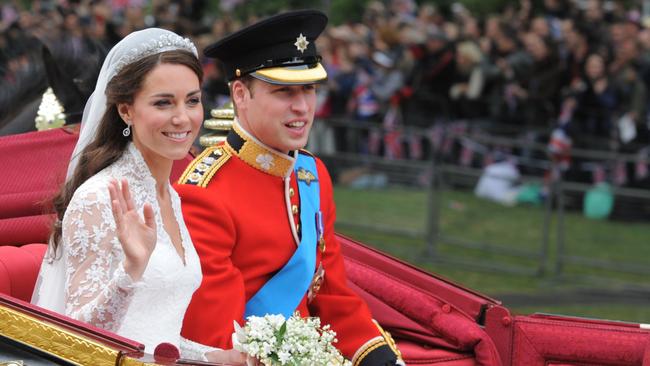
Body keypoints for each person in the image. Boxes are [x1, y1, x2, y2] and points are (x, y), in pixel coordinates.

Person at [175, 10, 403, 365]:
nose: (302, 107)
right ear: (240, 94)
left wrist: (375, 356)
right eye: (283, 92)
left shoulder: (312, 174)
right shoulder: (204, 190)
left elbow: (331, 292)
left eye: (308, 89)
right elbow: (216, 335)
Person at [30, 27, 243, 363]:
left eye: (192, 100)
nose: (182, 118)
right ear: (126, 110)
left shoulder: (169, 197)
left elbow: (156, 339)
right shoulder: (98, 198)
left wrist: (218, 357)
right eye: (163, 103)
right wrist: (129, 273)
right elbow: (74, 337)